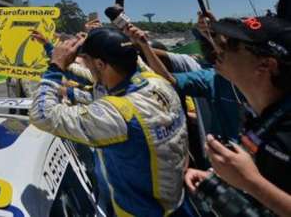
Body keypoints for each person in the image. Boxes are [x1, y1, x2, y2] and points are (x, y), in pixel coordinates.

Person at [30, 28, 193, 217]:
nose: (86, 66)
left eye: (87, 62)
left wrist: (56, 66)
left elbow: (41, 114)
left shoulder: (118, 114)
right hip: (178, 202)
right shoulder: (157, 82)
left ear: (100, 64)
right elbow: (85, 77)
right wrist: (50, 48)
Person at [184, 15, 291, 216]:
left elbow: (254, 179)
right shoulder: (255, 113)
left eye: (233, 44)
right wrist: (219, 178)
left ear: (266, 65)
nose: (219, 48)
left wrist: (250, 182)